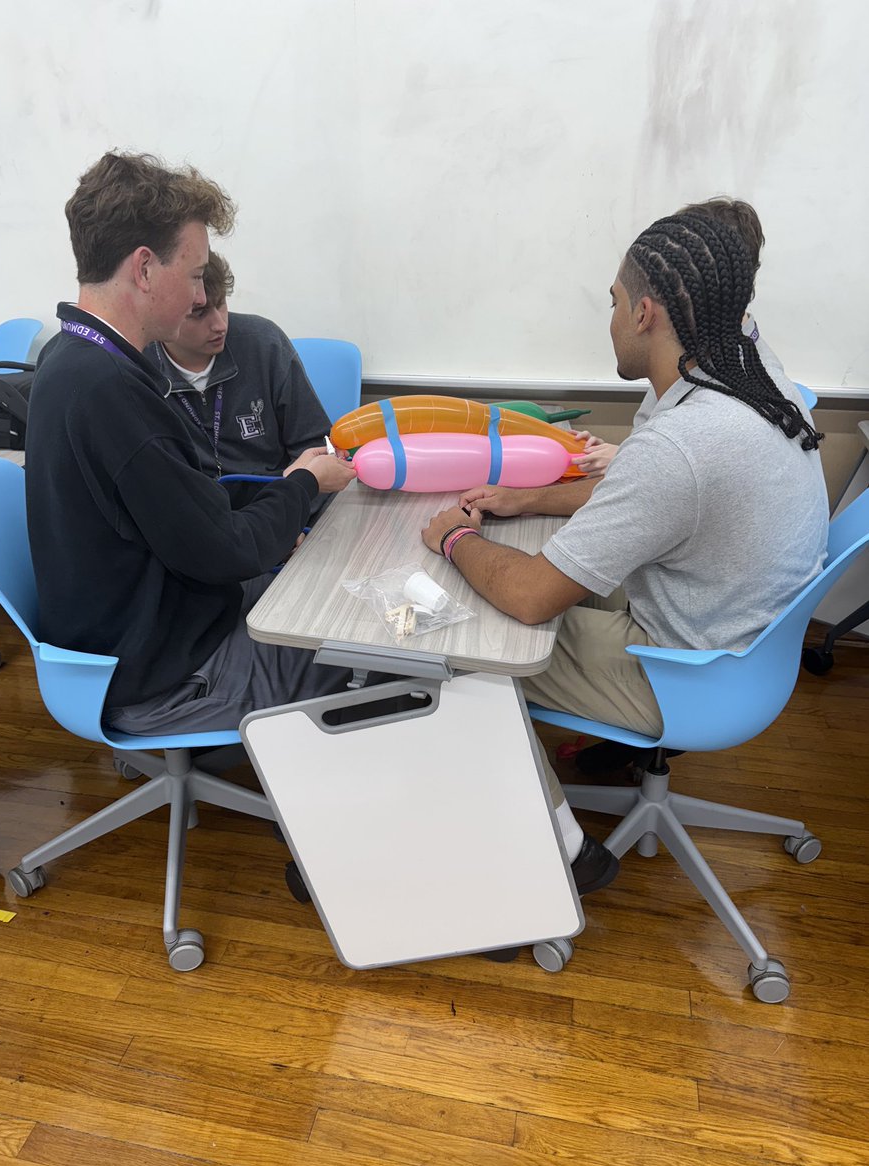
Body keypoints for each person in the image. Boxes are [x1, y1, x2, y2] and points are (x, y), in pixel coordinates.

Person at [421, 211, 828, 884]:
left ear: (643, 313)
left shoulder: (682, 443)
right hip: (746, 643)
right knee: (534, 571)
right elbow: (654, 505)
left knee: (466, 641)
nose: (608, 317)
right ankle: (604, 757)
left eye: (612, 302)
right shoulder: (754, 373)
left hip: (688, 674)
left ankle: (564, 851)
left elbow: (529, 598)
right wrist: (528, 501)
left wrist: (455, 537)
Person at [25, 151, 357, 735]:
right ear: (146, 269)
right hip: (163, 676)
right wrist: (303, 484)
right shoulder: (111, 392)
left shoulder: (69, 359)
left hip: (138, 637)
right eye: (197, 272)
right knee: (371, 657)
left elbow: (194, 518)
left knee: (326, 596)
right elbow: (224, 551)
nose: (201, 293)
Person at [572, 197, 794, 481]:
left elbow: (668, 467)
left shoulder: (721, 403)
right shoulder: (694, 360)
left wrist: (633, 463)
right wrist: (627, 456)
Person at [144, 251, 333, 515]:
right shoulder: (136, 369)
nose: (220, 324)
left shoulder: (265, 344)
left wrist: (293, 522)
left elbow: (319, 449)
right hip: (199, 527)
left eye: (221, 304)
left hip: (280, 510)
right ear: (162, 312)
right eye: (199, 314)